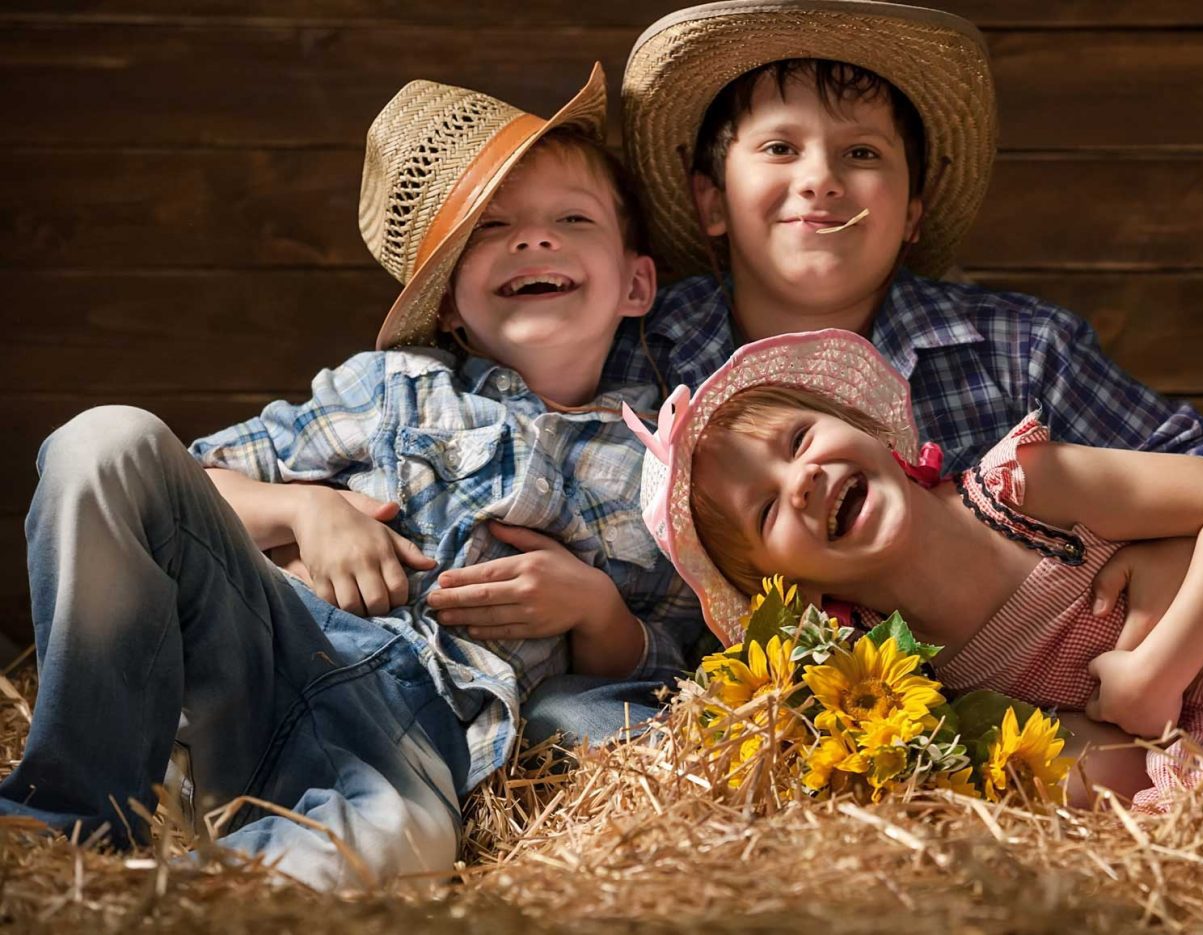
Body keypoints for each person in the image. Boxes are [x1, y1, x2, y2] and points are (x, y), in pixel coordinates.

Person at [511, 0, 1203, 747]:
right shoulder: (645, 341)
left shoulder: (1015, 345)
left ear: (913, 210)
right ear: (711, 200)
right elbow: (488, 398)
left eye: (862, 153)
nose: (820, 179)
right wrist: (381, 505)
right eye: (780, 149)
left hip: (1031, 713)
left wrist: (1166, 550)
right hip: (762, 709)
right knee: (572, 717)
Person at [0, 66, 701, 889]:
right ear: (448, 307)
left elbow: (666, 659)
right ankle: (60, 821)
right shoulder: (392, 385)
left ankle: (167, 888)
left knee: (400, 846)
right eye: (493, 227)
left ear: (637, 284)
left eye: (571, 219)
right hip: (269, 640)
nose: (533, 239)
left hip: (406, 732)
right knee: (103, 443)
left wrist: (595, 607)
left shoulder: (659, 466)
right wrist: (304, 509)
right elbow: (185, 487)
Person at [625, 327, 1203, 852]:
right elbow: (1100, 758)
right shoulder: (920, 678)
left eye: (797, 443)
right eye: (767, 509)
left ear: (859, 422)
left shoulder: (1027, 489)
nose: (805, 481)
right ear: (788, 586)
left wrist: (1154, 668)